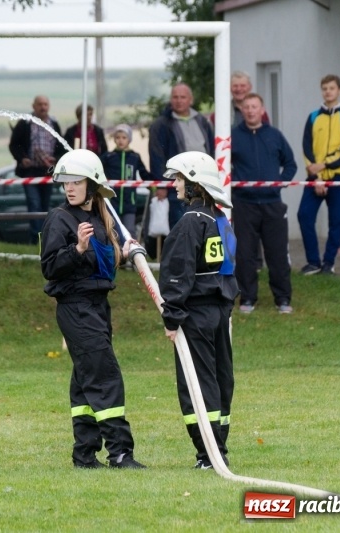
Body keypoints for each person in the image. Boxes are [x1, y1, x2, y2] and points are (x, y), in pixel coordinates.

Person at [40, 149, 146, 470]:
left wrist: (126, 253)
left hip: (99, 307)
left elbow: (104, 264)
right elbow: (50, 267)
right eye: (65, 183)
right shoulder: (59, 219)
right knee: (105, 376)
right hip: (76, 308)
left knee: (87, 380)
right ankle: (120, 453)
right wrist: (77, 249)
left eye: (76, 182)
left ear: (92, 185)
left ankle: (85, 455)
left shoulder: (101, 220)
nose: (69, 188)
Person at [158, 151, 238, 470]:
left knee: (197, 383)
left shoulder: (190, 222)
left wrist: (172, 316)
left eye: (179, 179)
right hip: (219, 312)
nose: (175, 185)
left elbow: (178, 273)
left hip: (194, 315)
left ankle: (208, 453)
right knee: (220, 379)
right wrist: (226, 305)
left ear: (193, 184)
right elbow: (231, 270)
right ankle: (217, 447)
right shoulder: (221, 221)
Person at [231, 93, 297, 314]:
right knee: (245, 254)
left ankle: (283, 299)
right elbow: (220, 166)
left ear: (262, 110)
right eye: (247, 107)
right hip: (243, 204)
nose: (250, 110)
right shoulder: (232, 136)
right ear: (241, 110)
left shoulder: (275, 135)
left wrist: (279, 184)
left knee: (277, 254)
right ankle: (247, 299)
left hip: (272, 204)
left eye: (254, 107)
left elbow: (290, 164)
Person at [297, 74, 340, 276]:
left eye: (331, 88)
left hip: (339, 177)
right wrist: (316, 176)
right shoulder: (313, 117)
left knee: (336, 220)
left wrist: (325, 165)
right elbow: (306, 147)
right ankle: (313, 262)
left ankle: (328, 263)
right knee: (304, 215)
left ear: (339, 90)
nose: (328, 91)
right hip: (315, 178)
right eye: (324, 88)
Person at [149, 83, 214, 230]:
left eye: (183, 97)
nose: (179, 101)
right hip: (177, 188)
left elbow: (212, 149)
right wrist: (161, 184)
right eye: (175, 97)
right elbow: (156, 156)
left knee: (204, 227)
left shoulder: (202, 121)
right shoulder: (161, 124)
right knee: (181, 227)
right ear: (171, 100)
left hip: (203, 185)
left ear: (190, 100)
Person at [9, 95, 68, 244]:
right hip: (30, 172)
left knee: (45, 204)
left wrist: (55, 158)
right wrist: (22, 159)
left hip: (47, 172)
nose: (43, 107)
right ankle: (35, 238)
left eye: (46, 104)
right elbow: (14, 144)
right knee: (34, 203)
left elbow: (61, 147)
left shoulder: (53, 123)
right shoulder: (24, 123)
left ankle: (45, 237)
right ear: (34, 106)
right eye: (40, 104)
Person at [100, 123, 151, 237]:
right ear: (114, 139)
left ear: (129, 139)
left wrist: (154, 186)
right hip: (112, 202)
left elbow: (144, 174)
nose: (120, 140)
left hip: (130, 203)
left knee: (129, 232)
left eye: (124, 137)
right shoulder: (108, 157)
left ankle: (129, 254)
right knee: (112, 231)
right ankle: (115, 254)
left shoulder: (135, 157)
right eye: (117, 137)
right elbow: (97, 171)